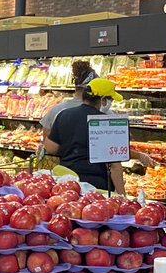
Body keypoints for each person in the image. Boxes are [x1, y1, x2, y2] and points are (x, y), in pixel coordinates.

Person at [42, 61, 128, 192]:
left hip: (67, 181)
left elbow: (50, 148)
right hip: (97, 185)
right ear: (103, 99)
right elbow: (115, 166)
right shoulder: (106, 123)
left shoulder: (64, 114)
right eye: (110, 99)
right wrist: (122, 196)